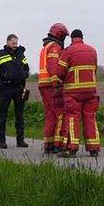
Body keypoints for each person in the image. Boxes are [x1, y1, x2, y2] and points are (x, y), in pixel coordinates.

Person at [54, 28, 100, 157]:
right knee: (90, 117)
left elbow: (59, 72)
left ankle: (71, 149)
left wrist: (61, 82)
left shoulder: (68, 51)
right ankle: (94, 148)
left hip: (73, 92)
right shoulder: (92, 50)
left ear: (72, 39)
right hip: (91, 91)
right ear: (82, 37)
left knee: (72, 118)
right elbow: (94, 69)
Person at [0, 34, 31, 149]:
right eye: (13, 43)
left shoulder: (21, 54)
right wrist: (3, 76)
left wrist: (24, 75)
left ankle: (20, 140)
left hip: (19, 88)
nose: (15, 46)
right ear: (7, 42)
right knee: (2, 115)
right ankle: (2, 141)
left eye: (16, 43)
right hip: (5, 88)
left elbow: (26, 68)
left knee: (20, 115)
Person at [37, 22, 68, 154]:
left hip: (44, 85)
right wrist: (57, 85)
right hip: (51, 85)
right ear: (59, 35)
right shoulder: (55, 47)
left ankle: (48, 144)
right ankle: (58, 143)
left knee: (50, 115)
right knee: (60, 114)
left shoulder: (46, 46)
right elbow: (54, 66)